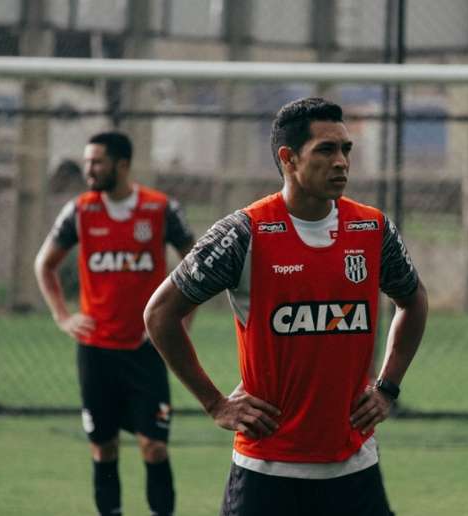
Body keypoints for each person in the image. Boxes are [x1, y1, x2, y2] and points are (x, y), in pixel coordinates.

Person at [144, 97, 428, 516]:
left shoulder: (372, 228)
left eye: (346, 149)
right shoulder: (244, 233)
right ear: (289, 158)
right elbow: (159, 315)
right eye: (326, 150)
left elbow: (413, 301)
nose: (341, 162)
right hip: (266, 469)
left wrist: (387, 388)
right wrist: (215, 403)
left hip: (353, 466)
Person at [34, 131, 195, 516]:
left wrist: (180, 323)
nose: (89, 169)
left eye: (97, 162)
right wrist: (63, 316)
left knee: (153, 447)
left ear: (122, 165)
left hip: (146, 350)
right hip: (96, 351)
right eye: (87, 162)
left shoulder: (160, 210)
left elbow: (196, 265)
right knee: (103, 447)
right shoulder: (80, 211)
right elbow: (45, 265)